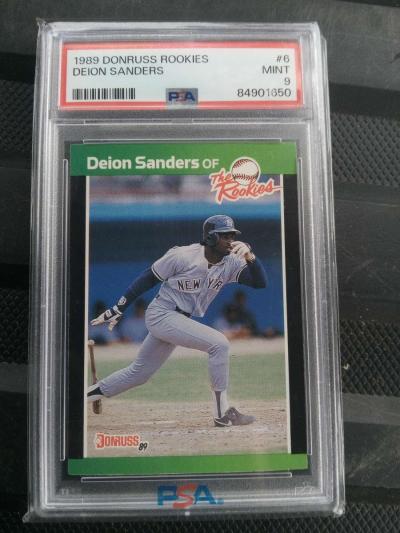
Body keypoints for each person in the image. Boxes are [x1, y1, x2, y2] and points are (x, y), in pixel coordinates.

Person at [88, 215, 267, 427]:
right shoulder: (183, 256)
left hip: (178, 319)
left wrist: (250, 257)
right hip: (161, 314)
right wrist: (118, 308)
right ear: (210, 238)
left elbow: (260, 283)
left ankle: (84, 396)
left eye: (232, 236)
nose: (231, 241)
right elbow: (148, 278)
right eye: (224, 236)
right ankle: (222, 414)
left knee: (139, 374)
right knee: (219, 344)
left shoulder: (230, 263)